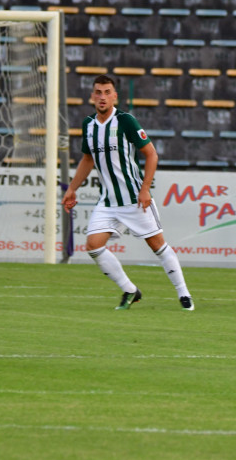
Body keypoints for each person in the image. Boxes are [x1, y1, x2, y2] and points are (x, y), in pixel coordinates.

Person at [62, 75, 194, 310]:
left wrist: (145, 189)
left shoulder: (125, 121)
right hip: (108, 201)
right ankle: (130, 290)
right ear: (92, 96)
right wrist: (72, 188)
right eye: (98, 92)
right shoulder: (88, 124)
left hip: (134, 199)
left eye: (107, 92)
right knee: (93, 246)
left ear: (115, 96)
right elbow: (87, 159)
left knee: (158, 246)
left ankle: (184, 295)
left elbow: (151, 154)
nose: (102, 97)